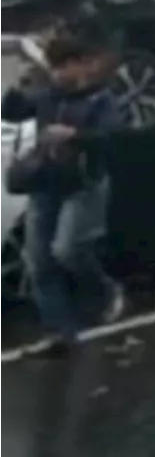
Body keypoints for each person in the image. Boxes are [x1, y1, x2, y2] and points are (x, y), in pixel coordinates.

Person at [1, 33, 127, 355]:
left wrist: (75, 135)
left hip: (82, 185)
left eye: (63, 67)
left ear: (79, 65)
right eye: (54, 67)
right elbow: (12, 110)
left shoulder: (100, 99)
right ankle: (60, 331)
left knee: (67, 250)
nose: (57, 74)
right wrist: (15, 82)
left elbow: (113, 140)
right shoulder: (47, 97)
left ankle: (105, 291)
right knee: (39, 261)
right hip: (45, 184)